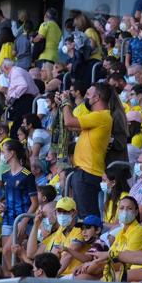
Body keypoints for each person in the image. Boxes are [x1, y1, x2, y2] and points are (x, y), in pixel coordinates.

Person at [59, 82, 113, 218]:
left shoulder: (101, 116)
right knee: (82, 216)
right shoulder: (97, 116)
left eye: (89, 95)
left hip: (88, 172)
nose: (86, 98)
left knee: (88, 217)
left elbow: (69, 122)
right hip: (83, 171)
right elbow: (71, 127)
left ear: (97, 97)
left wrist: (66, 102)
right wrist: (64, 105)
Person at [0, 139, 38, 271]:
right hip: (7, 219)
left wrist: (24, 221)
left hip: (20, 220)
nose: (3, 155)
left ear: (12, 153)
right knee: (6, 258)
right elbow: (6, 197)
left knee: (7, 251)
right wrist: (0, 204)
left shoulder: (27, 175)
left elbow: (35, 203)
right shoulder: (5, 175)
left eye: (4, 151)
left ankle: (18, 280)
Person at [2, 59, 40, 139]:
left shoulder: (15, 72)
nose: (3, 73)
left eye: (2, 70)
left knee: (16, 129)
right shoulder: (21, 71)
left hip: (24, 101)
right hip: (27, 100)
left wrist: (12, 96)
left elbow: (23, 85)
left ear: (5, 67)